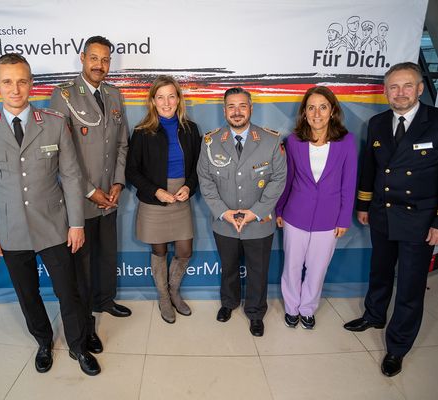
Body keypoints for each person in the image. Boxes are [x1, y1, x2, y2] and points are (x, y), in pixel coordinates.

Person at [0, 53, 100, 376]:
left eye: (22, 81)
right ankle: (43, 341)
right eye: (8, 82)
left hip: (55, 226)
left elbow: (70, 176)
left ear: (31, 84)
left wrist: (76, 224)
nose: (16, 89)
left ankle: (79, 347)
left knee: (68, 292)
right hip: (10, 230)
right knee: (27, 294)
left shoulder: (54, 123)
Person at [344, 62, 438, 377]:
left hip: (422, 220)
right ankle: (374, 315)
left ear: (420, 88)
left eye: (407, 85)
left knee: (411, 285)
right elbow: (369, 169)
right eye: (393, 87)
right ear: (386, 91)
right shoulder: (378, 122)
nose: (400, 93)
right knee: (380, 271)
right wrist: (364, 205)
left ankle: (397, 347)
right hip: (383, 214)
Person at [50, 36, 131, 318]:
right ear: (82, 58)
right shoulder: (64, 95)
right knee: (82, 264)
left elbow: (122, 144)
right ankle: (84, 318)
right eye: (94, 58)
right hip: (80, 199)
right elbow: (60, 153)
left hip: (109, 196)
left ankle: (105, 302)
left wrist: (118, 183)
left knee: (107, 256)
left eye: (105, 59)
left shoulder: (114, 95)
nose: (100, 65)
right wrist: (88, 190)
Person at [197, 87, 287, 337]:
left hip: (258, 222)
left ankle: (256, 312)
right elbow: (205, 180)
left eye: (242, 106)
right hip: (224, 221)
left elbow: (279, 179)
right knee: (228, 267)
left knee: (258, 271)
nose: (237, 112)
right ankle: (229, 303)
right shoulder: (211, 141)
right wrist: (223, 212)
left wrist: (255, 212)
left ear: (251, 108)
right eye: (231, 107)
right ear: (224, 110)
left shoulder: (270, 140)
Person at [275, 86, 357, 329]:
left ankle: (308, 309)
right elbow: (287, 179)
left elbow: (349, 182)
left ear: (332, 111)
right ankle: (292, 308)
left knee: (317, 268)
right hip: (294, 214)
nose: (317, 113)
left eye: (323, 107)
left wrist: (344, 219)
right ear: (304, 112)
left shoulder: (346, 141)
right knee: (291, 265)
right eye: (311, 107)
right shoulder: (293, 141)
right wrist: (279, 210)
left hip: (329, 218)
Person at [125, 76, 201, 323]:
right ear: (153, 101)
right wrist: (156, 191)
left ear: (178, 99)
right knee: (158, 251)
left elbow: (200, 168)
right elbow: (132, 171)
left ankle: (174, 291)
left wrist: (189, 186)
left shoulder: (190, 129)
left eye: (171, 96)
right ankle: (163, 297)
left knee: (184, 250)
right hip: (154, 199)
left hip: (181, 197)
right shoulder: (141, 132)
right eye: (161, 97)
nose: (166, 102)